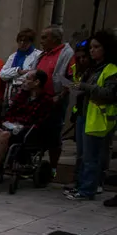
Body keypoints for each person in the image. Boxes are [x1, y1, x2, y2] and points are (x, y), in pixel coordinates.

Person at [67, 31, 117, 202]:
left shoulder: (111, 68)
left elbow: (109, 93)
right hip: (84, 114)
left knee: (92, 157)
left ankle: (88, 189)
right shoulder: (92, 67)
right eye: (91, 48)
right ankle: (81, 185)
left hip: (99, 118)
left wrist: (85, 87)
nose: (93, 51)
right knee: (83, 155)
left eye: (97, 47)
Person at [0, 70, 53, 178]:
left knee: (4, 135)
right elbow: (11, 111)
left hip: (28, 132)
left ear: (36, 82)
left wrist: (20, 125)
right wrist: (9, 122)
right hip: (12, 126)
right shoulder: (23, 95)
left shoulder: (45, 100)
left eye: (27, 79)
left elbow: (39, 121)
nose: (24, 81)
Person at [35, 26, 75, 179]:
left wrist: (62, 93)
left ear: (55, 39)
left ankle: (53, 168)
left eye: (45, 37)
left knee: (53, 135)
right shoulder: (43, 54)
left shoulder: (67, 54)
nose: (42, 41)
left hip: (55, 100)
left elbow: (74, 79)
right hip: (39, 100)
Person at [64, 40, 94, 195]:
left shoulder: (96, 70)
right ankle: (78, 181)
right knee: (81, 152)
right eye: (79, 57)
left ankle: (88, 186)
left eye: (85, 57)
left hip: (95, 115)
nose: (82, 60)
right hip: (81, 112)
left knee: (91, 154)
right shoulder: (77, 69)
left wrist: (83, 87)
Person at [0, 29, 41, 103]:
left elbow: (32, 75)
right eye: (20, 40)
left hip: (27, 94)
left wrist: (16, 75)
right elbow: (2, 74)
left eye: (25, 41)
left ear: (31, 42)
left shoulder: (37, 55)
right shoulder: (13, 56)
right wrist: (18, 71)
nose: (22, 43)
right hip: (10, 93)